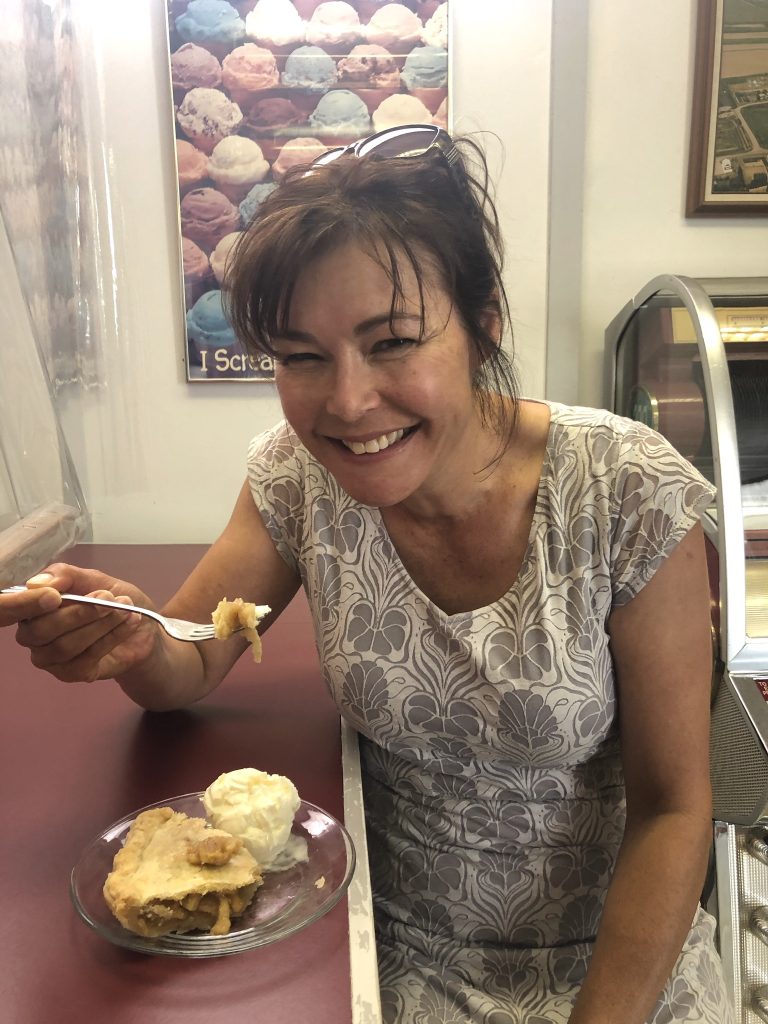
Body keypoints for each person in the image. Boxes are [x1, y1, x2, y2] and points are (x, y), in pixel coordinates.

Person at [0, 124, 732, 1024]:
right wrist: (129, 636)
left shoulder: (628, 493)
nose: (346, 403)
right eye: (301, 356)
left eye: (392, 342)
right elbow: (185, 663)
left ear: (482, 325)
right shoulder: (297, 478)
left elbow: (673, 811)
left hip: (611, 964)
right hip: (378, 951)